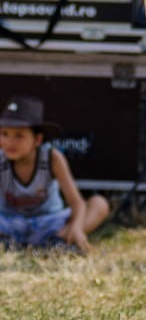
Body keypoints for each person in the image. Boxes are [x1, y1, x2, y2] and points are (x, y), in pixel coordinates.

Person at [0, 95, 109, 253]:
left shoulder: (52, 158)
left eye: (19, 136)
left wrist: (77, 228)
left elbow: (76, 202)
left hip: (49, 223)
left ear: (37, 140)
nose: (10, 142)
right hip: (11, 224)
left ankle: (59, 240)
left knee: (99, 204)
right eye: (4, 134)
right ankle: (11, 243)